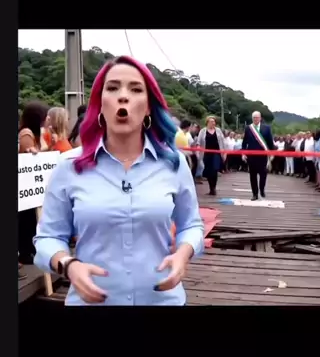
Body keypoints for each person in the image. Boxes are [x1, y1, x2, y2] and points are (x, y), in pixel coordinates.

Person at [33, 56, 204, 305]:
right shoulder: (69, 166)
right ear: (100, 103)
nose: (123, 96)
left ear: (148, 106)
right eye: (112, 88)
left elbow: (191, 225)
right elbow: (47, 237)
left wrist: (183, 253)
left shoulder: (173, 163)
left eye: (135, 89)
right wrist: (69, 265)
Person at [18, 100, 50, 265]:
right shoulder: (26, 134)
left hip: (30, 185)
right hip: (25, 185)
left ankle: (30, 248)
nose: (48, 120)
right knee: (26, 219)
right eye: (45, 117)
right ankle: (25, 251)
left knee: (32, 218)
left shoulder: (35, 133)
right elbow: (30, 156)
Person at [242, 111, 275, 200]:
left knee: (263, 174)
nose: (256, 119)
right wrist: (243, 153)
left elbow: (270, 142)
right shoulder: (248, 128)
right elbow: (244, 142)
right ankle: (255, 194)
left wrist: (272, 153)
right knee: (252, 176)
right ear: (252, 118)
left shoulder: (267, 128)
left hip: (263, 156)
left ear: (260, 118)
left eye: (257, 117)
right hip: (251, 156)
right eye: (254, 118)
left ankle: (262, 189)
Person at [197, 116, 227, 195]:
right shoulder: (203, 131)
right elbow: (198, 142)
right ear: (207, 123)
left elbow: (223, 142)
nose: (213, 123)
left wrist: (224, 153)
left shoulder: (218, 130)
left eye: (214, 121)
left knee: (214, 170)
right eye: (211, 121)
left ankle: (214, 188)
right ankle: (211, 188)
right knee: (208, 172)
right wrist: (198, 149)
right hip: (206, 154)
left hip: (216, 153)